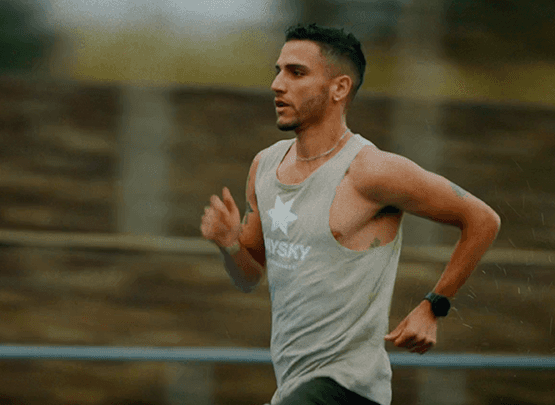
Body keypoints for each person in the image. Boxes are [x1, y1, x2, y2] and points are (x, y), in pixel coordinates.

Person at [200, 23, 501, 405]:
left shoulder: (370, 171)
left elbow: (482, 220)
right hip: (294, 387)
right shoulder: (265, 166)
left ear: (339, 88)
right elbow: (249, 276)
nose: (277, 84)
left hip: (350, 388)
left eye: (296, 72)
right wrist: (229, 244)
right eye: (278, 71)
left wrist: (433, 306)